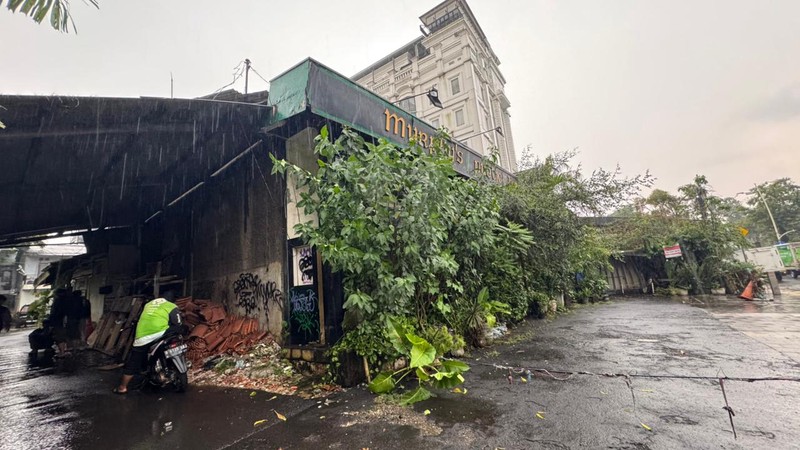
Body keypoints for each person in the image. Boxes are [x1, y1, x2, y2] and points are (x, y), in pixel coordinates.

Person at [114, 292, 183, 394]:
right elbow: (178, 322)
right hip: (162, 334)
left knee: (134, 361)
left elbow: (139, 318)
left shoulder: (148, 305)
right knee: (179, 329)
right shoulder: (171, 305)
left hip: (142, 337)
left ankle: (122, 387)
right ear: (171, 300)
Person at [48, 289, 71, 356]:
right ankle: (63, 350)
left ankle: (62, 352)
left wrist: (51, 322)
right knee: (62, 336)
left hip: (57, 321)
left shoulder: (57, 302)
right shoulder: (66, 301)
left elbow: (54, 313)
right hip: (63, 321)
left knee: (59, 336)